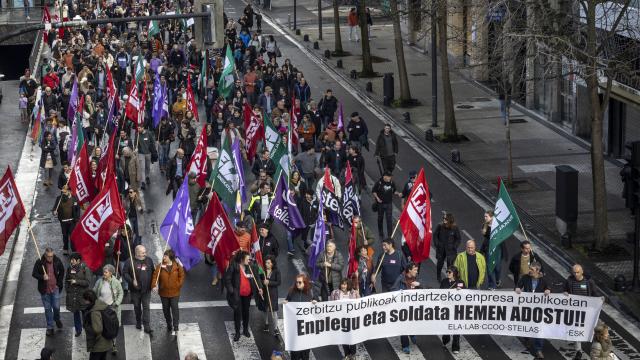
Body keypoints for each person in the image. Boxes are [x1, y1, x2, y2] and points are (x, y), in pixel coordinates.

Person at [224, 250, 263, 341]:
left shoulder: (251, 266)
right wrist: (232, 290)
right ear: (241, 259)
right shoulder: (234, 266)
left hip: (247, 294)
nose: (249, 260)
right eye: (247, 259)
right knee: (237, 313)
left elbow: (256, 278)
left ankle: (245, 329)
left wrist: (260, 288)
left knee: (246, 312)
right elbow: (227, 279)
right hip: (237, 295)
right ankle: (237, 332)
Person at [515, 262, 550, 359]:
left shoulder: (543, 280)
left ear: (538, 271)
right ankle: (527, 339)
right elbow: (518, 286)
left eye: (532, 269)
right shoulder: (525, 278)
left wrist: (548, 290)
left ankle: (538, 350)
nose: (529, 271)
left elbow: (548, 288)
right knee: (526, 326)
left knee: (539, 329)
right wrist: (518, 289)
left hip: (538, 310)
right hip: (527, 308)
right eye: (529, 268)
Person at [564, 264, 598, 360]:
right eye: (574, 272)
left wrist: (600, 299)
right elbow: (565, 290)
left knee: (594, 329)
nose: (576, 274)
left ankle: (598, 348)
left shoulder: (589, 282)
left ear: (582, 271)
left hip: (587, 311)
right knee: (576, 330)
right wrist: (565, 293)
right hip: (575, 311)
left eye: (578, 272)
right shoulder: (569, 281)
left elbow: (594, 293)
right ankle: (578, 350)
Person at [152, 249, 185, 336]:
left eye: (165, 256)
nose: (164, 258)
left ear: (170, 257)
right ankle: (169, 324)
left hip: (175, 293)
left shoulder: (177, 266)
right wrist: (154, 285)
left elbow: (182, 276)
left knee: (175, 309)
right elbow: (155, 276)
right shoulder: (160, 266)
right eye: (164, 256)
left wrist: (178, 285)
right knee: (165, 310)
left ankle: (176, 326)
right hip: (164, 293)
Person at [32, 247, 65, 336]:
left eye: (52, 256)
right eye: (49, 256)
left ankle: (57, 319)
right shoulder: (39, 262)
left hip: (55, 288)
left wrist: (59, 283)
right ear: (45, 255)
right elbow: (34, 273)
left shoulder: (57, 260)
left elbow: (62, 271)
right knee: (47, 309)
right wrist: (42, 277)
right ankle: (50, 327)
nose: (50, 258)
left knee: (56, 307)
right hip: (45, 290)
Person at [284, 274, 317, 360]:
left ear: (305, 283)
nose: (297, 284)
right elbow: (287, 302)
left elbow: (317, 306)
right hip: (295, 328)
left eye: (299, 282)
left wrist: (315, 303)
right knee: (295, 353)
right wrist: (285, 303)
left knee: (305, 353)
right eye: (296, 282)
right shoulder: (291, 291)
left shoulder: (310, 292)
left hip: (306, 328)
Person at [122, 245, 155, 334]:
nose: (145, 254)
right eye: (143, 252)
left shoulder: (149, 260)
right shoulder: (129, 261)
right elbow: (124, 273)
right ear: (137, 253)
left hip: (146, 290)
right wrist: (132, 281)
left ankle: (147, 325)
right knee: (137, 307)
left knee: (146, 307)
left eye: (145, 252)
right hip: (135, 290)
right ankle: (138, 321)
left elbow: (154, 272)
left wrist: (154, 284)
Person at [92, 264, 123, 355]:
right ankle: (102, 344)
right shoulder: (99, 281)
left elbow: (120, 294)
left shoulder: (116, 282)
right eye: (104, 272)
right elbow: (94, 291)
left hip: (111, 309)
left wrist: (116, 303)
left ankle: (114, 345)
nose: (104, 273)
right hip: (100, 308)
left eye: (106, 272)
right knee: (100, 327)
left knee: (112, 328)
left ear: (110, 273)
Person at [391, 262, 420, 353]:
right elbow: (393, 291)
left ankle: (411, 334)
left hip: (413, 306)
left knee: (412, 323)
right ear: (409, 270)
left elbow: (421, 291)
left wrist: (419, 285)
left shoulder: (415, 277)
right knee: (403, 326)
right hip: (402, 307)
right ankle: (405, 345)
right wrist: (401, 292)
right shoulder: (400, 279)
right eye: (415, 270)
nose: (417, 271)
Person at [330, 278, 359, 359]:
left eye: (345, 284)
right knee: (344, 338)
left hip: (352, 319)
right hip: (341, 320)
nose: (343, 286)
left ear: (348, 285)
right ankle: (347, 354)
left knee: (352, 337)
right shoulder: (335, 293)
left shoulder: (354, 293)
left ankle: (353, 354)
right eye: (342, 284)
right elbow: (331, 305)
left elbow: (359, 305)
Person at [82, 289, 113, 360]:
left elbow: (98, 329)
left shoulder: (94, 312)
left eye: (85, 300)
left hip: (99, 345)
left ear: (88, 300)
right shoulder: (100, 303)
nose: (84, 301)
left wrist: (94, 339)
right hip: (107, 341)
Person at [440, 265, 465, 354]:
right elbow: (440, 293)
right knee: (446, 327)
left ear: (454, 273)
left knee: (456, 329)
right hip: (446, 308)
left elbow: (466, 295)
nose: (448, 273)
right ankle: (445, 340)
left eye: (449, 272)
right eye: (447, 272)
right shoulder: (444, 281)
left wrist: (460, 291)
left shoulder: (460, 282)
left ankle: (456, 347)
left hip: (456, 309)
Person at [65, 252, 91, 337]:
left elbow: (87, 282)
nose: (71, 261)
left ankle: (87, 328)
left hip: (83, 296)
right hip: (73, 296)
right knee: (75, 313)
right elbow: (66, 280)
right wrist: (68, 290)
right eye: (71, 260)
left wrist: (76, 281)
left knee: (84, 314)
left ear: (78, 261)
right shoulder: (69, 268)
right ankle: (78, 330)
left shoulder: (85, 269)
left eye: (73, 260)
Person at [52, 185, 80, 255]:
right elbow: (54, 208)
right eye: (62, 192)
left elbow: (77, 209)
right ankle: (65, 248)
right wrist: (54, 212)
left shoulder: (74, 199)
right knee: (65, 235)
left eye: (65, 192)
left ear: (69, 191)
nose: (63, 193)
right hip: (63, 221)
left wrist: (77, 218)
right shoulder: (59, 199)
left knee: (72, 235)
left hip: (72, 221)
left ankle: (73, 249)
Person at [372, 172, 401, 238]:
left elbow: (394, 191)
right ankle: (381, 233)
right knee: (380, 219)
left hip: (389, 204)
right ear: (384, 176)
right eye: (389, 176)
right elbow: (374, 191)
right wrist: (377, 198)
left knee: (389, 220)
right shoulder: (379, 183)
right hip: (380, 204)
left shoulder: (391, 182)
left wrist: (398, 193)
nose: (390, 178)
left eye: (390, 176)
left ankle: (389, 236)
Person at [434, 212, 462, 281]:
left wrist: (454, 246)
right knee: (440, 263)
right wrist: (437, 244)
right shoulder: (440, 226)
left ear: (450, 220)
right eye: (443, 218)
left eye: (446, 219)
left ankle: (449, 278)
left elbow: (458, 238)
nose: (444, 220)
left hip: (450, 250)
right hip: (441, 249)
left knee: (450, 265)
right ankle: (438, 276)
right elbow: (435, 235)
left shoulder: (455, 228)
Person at [261, 255, 281, 336]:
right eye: (266, 262)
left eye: (268, 263)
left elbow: (279, 282)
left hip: (273, 294)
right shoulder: (263, 271)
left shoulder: (277, 271)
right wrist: (262, 284)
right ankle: (266, 323)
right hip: (265, 293)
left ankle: (275, 328)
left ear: (272, 264)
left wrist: (269, 282)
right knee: (265, 309)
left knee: (274, 310)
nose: (266, 264)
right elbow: (260, 280)